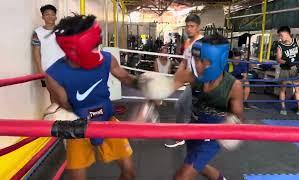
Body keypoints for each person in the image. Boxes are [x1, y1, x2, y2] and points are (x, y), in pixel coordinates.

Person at [140, 33, 244, 180]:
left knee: (182, 176)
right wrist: (148, 104)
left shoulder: (234, 86)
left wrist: (232, 124)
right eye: (195, 59)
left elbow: (238, 115)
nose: (198, 65)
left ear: (219, 60)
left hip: (214, 134)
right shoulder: (191, 75)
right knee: (198, 165)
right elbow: (166, 89)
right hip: (194, 127)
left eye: (204, 61)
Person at [45, 14, 136, 180]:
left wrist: (148, 85)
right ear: (74, 48)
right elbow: (65, 105)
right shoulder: (53, 75)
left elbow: (127, 79)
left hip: (108, 120)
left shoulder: (107, 59)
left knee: (129, 172)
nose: (98, 48)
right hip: (78, 127)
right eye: (93, 45)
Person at [165, 14, 203, 148]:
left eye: (192, 26)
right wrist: (175, 78)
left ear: (198, 27)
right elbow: (184, 62)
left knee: (185, 107)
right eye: (187, 26)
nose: (189, 29)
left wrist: (180, 81)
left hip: (201, 83)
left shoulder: (202, 43)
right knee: (182, 106)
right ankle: (186, 135)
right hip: (191, 82)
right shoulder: (187, 42)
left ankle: (183, 136)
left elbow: (201, 67)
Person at [276, 26, 299, 116]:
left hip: (295, 69)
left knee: (298, 89)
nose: (280, 37)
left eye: (281, 35)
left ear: (287, 33)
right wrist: (287, 62)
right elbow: (278, 58)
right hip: (285, 69)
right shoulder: (280, 45)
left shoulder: (297, 42)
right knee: (283, 88)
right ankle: (283, 107)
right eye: (280, 36)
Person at [32, 4, 65, 99]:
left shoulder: (63, 31)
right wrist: (40, 71)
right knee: (53, 95)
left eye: (52, 14)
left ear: (56, 16)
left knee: (66, 94)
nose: (50, 16)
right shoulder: (37, 33)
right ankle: (55, 114)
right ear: (42, 17)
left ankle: (65, 113)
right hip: (47, 70)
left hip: (64, 68)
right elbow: (36, 53)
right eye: (47, 14)